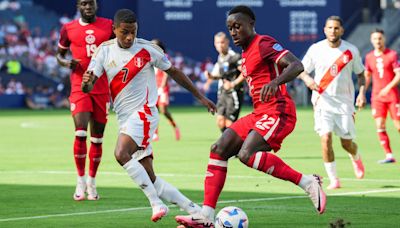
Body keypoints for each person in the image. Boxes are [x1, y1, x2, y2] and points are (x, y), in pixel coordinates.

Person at [175, 5, 326, 228]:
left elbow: (297, 65)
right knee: (219, 148)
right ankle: (206, 216)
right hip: (259, 113)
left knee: (247, 154)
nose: (233, 32)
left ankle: (307, 182)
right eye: (230, 28)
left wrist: (275, 82)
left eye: (238, 26)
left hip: (279, 110)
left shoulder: (263, 43)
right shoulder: (244, 55)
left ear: (251, 24)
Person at [82, 9, 216, 222]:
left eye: (133, 32)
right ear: (114, 30)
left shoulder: (148, 49)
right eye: (124, 32)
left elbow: (175, 72)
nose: (129, 37)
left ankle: (156, 203)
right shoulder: (103, 52)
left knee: (120, 153)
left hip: (144, 113)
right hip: (125, 119)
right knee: (151, 178)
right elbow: (88, 86)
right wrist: (86, 82)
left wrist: (200, 97)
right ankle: (196, 212)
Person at [298, 16, 366, 190]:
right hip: (322, 102)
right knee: (325, 138)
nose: (333, 31)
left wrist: (362, 94)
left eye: (336, 28)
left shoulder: (351, 50)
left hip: (344, 104)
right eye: (330, 28)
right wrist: (307, 80)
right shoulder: (316, 49)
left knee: (346, 143)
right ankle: (334, 179)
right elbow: (301, 70)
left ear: (342, 30)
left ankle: (356, 156)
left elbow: (361, 74)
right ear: (324, 30)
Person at [56, 0, 113, 201]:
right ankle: (80, 181)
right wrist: (66, 62)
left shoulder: (109, 26)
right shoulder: (68, 29)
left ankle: (92, 182)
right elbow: (59, 55)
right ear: (78, 6)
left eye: (91, 3)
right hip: (80, 86)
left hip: (101, 87)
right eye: (83, 3)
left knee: (97, 138)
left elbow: (119, 51)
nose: (88, 6)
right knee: (80, 133)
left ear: (96, 5)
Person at [364, 28, 400, 164]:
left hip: (392, 96)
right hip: (377, 97)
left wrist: (388, 88)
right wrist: (362, 93)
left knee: (398, 126)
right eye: (375, 39)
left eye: (380, 38)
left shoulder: (392, 55)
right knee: (380, 125)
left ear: (383, 39)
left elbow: (398, 75)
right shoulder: (369, 57)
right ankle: (389, 155)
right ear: (371, 40)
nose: (377, 41)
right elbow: (367, 77)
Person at [203, 31, 245, 132]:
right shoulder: (221, 58)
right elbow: (222, 76)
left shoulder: (234, 56)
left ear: (227, 42)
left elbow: (245, 72)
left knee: (229, 123)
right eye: (217, 43)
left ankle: (233, 144)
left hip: (234, 93)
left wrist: (233, 84)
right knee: (220, 121)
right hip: (222, 92)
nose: (220, 45)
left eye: (222, 42)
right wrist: (211, 77)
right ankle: (228, 143)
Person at [151, 39, 180, 141]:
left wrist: (163, 85)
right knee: (153, 110)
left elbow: (167, 72)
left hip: (162, 88)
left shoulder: (164, 57)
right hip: (153, 87)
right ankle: (155, 134)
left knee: (163, 110)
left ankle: (175, 126)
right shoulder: (150, 57)